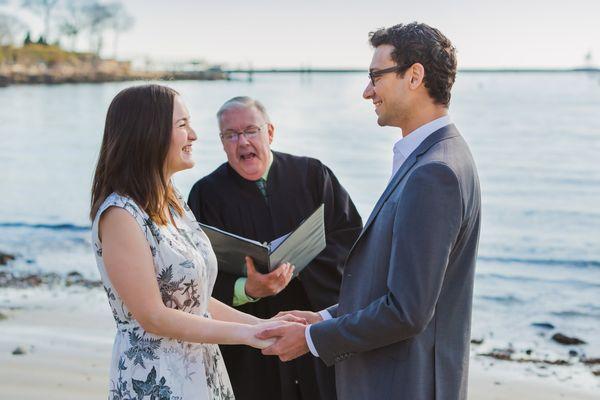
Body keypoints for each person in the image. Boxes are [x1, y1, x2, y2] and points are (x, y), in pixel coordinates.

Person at [258, 22, 482, 400]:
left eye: (375, 76)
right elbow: (394, 286)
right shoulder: (438, 156)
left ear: (414, 76)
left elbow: (407, 311)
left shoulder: (435, 172)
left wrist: (311, 339)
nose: (367, 91)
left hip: (406, 385)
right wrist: (325, 317)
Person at [90, 85, 301, 400]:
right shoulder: (120, 215)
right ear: (149, 133)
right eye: (182, 125)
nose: (194, 135)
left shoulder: (172, 201)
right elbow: (154, 317)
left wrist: (262, 325)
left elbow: (196, 300)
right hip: (155, 379)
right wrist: (248, 334)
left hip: (203, 371)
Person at [187, 96, 362, 400]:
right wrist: (247, 288)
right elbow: (195, 272)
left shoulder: (312, 175)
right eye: (231, 135)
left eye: (251, 131)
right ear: (222, 142)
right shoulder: (205, 194)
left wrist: (296, 268)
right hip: (249, 345)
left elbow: (350, 239)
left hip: (310, 328)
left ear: (269, 132)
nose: (242, 142)